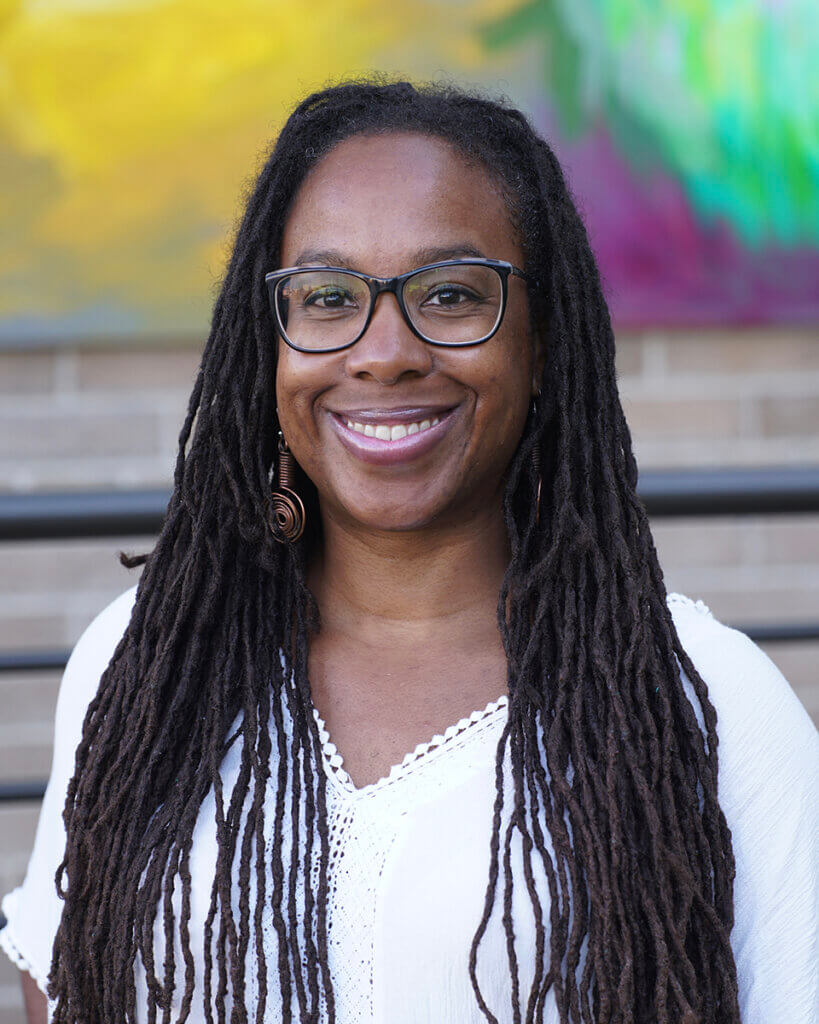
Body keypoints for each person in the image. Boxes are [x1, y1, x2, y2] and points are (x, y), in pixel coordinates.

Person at [1, 79, 817, 1024]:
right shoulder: (141, 662)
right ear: (268, 341)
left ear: (542, 342)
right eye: (327, 296)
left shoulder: (705, 702)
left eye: (451, 294)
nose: (383, 352)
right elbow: (62, 974)